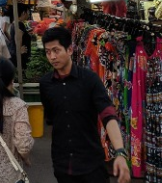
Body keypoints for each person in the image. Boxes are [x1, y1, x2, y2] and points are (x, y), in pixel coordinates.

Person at [39, 27, 130, 183]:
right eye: (48, 52)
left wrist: (120, 152)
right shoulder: (45, 84)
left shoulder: (90, 80)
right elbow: (52, 118)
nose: (52, 57)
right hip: (63, 165)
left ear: (69, 49)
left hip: (91, 164)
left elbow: (108, 115)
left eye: (56, 50)